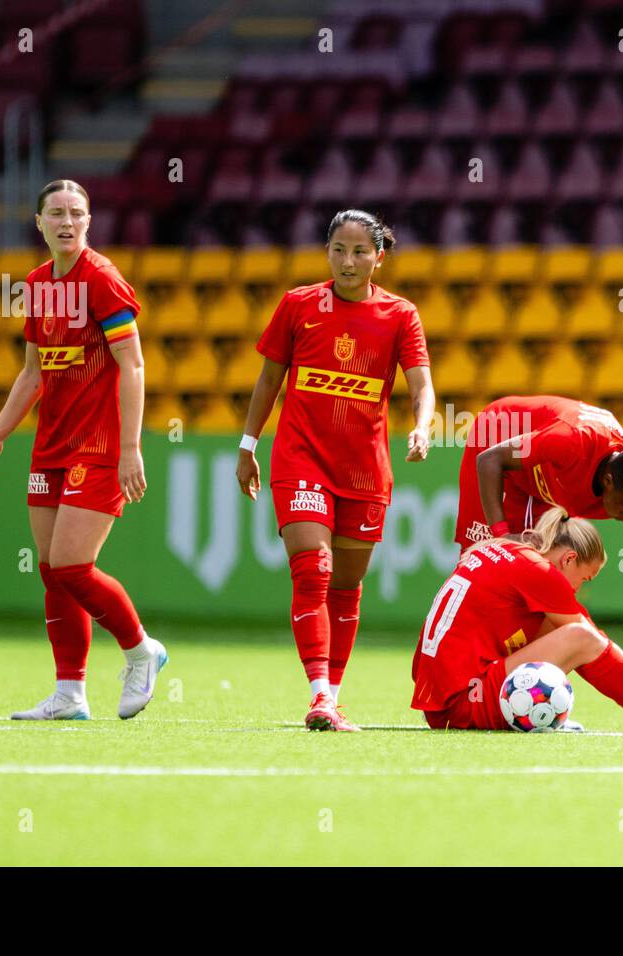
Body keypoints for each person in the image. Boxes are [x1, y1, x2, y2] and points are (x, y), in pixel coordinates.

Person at [0, 179, 167, 721]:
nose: (66, 222)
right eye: (55, 213)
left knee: (75, 566)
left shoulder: (101, 279)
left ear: (89, 221)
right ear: (39, 223)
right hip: (50, 445)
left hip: (100, 445)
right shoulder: (37, 284)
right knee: (52, 571)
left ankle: (141, 650)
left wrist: (131, 448)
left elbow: (133, 365)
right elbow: (33, 373)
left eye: (76, 213)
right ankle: (69, 693)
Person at [237, 209, 435, 732]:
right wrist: (247, 443)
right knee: (313, 569)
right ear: (327, 252)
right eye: (339, 250)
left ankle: (334, 697)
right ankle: (319, 695)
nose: (349, 261)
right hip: (301, 457)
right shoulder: (298, 305)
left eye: (360, 252)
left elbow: (420, 384)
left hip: (366, 469)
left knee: (345, 587)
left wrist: (423, 425)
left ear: (379, 257)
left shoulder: (400, 315)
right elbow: (267, 382)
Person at [414, 507, 623, 734]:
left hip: (444, 702)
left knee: (565, 632)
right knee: (578, 637)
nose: (579, 589)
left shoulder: (504, 549)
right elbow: (588, 637)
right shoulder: (538, 571)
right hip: (463, 705)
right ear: (569, 558)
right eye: (584, 579)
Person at [454, 395, 623, 675]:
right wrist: (501, 536)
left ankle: (521, 683)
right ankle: (463, 670)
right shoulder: (572, 440)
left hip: (542, 480)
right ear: (608, 481)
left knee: (547, 582)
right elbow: (490, 460)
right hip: (499, 438)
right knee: (487, 564)